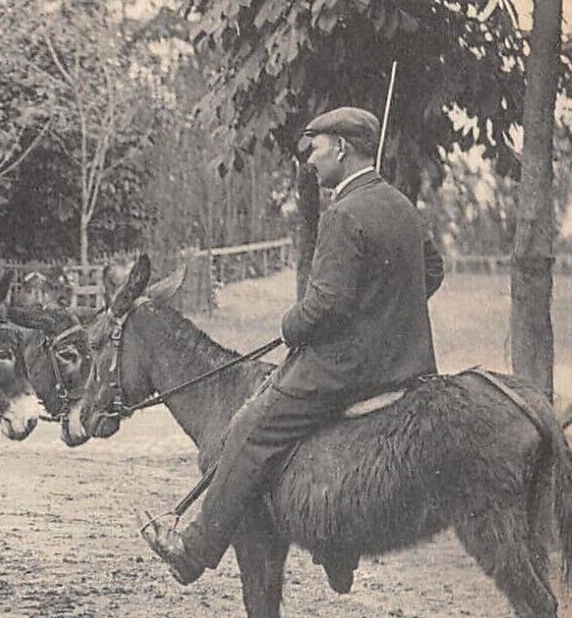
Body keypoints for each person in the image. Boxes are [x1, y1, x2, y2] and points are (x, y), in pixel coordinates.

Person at [141, 106, 445, 589]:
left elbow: (325, 306)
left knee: (248, 428)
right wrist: (383, 313)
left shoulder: (343, 213)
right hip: (407, 366)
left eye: (316, 149)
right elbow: (433, 271)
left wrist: (289, 326)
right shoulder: (402, 205)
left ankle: (194, 549)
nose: (311, 160)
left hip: (347, 370)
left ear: (341, 148)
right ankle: (336, 548)